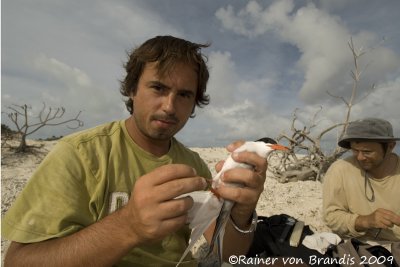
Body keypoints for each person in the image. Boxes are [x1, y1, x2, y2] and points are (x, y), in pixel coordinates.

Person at [2, 36, 268, 266]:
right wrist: (128, 226)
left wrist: (241, 213)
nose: (169, 106)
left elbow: (227, 253)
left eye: (184, 95)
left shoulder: (193, 164)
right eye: (158, 88)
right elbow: (18, 262)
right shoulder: (80, 155)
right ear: (132, 89)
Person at [323, 117, 400, 242]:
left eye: (367, 152)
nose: (360, 157)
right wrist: (365, 221)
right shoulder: (340, 170)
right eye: (355, 150)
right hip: (358, 246)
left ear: (390, 146)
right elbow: (331, 217)